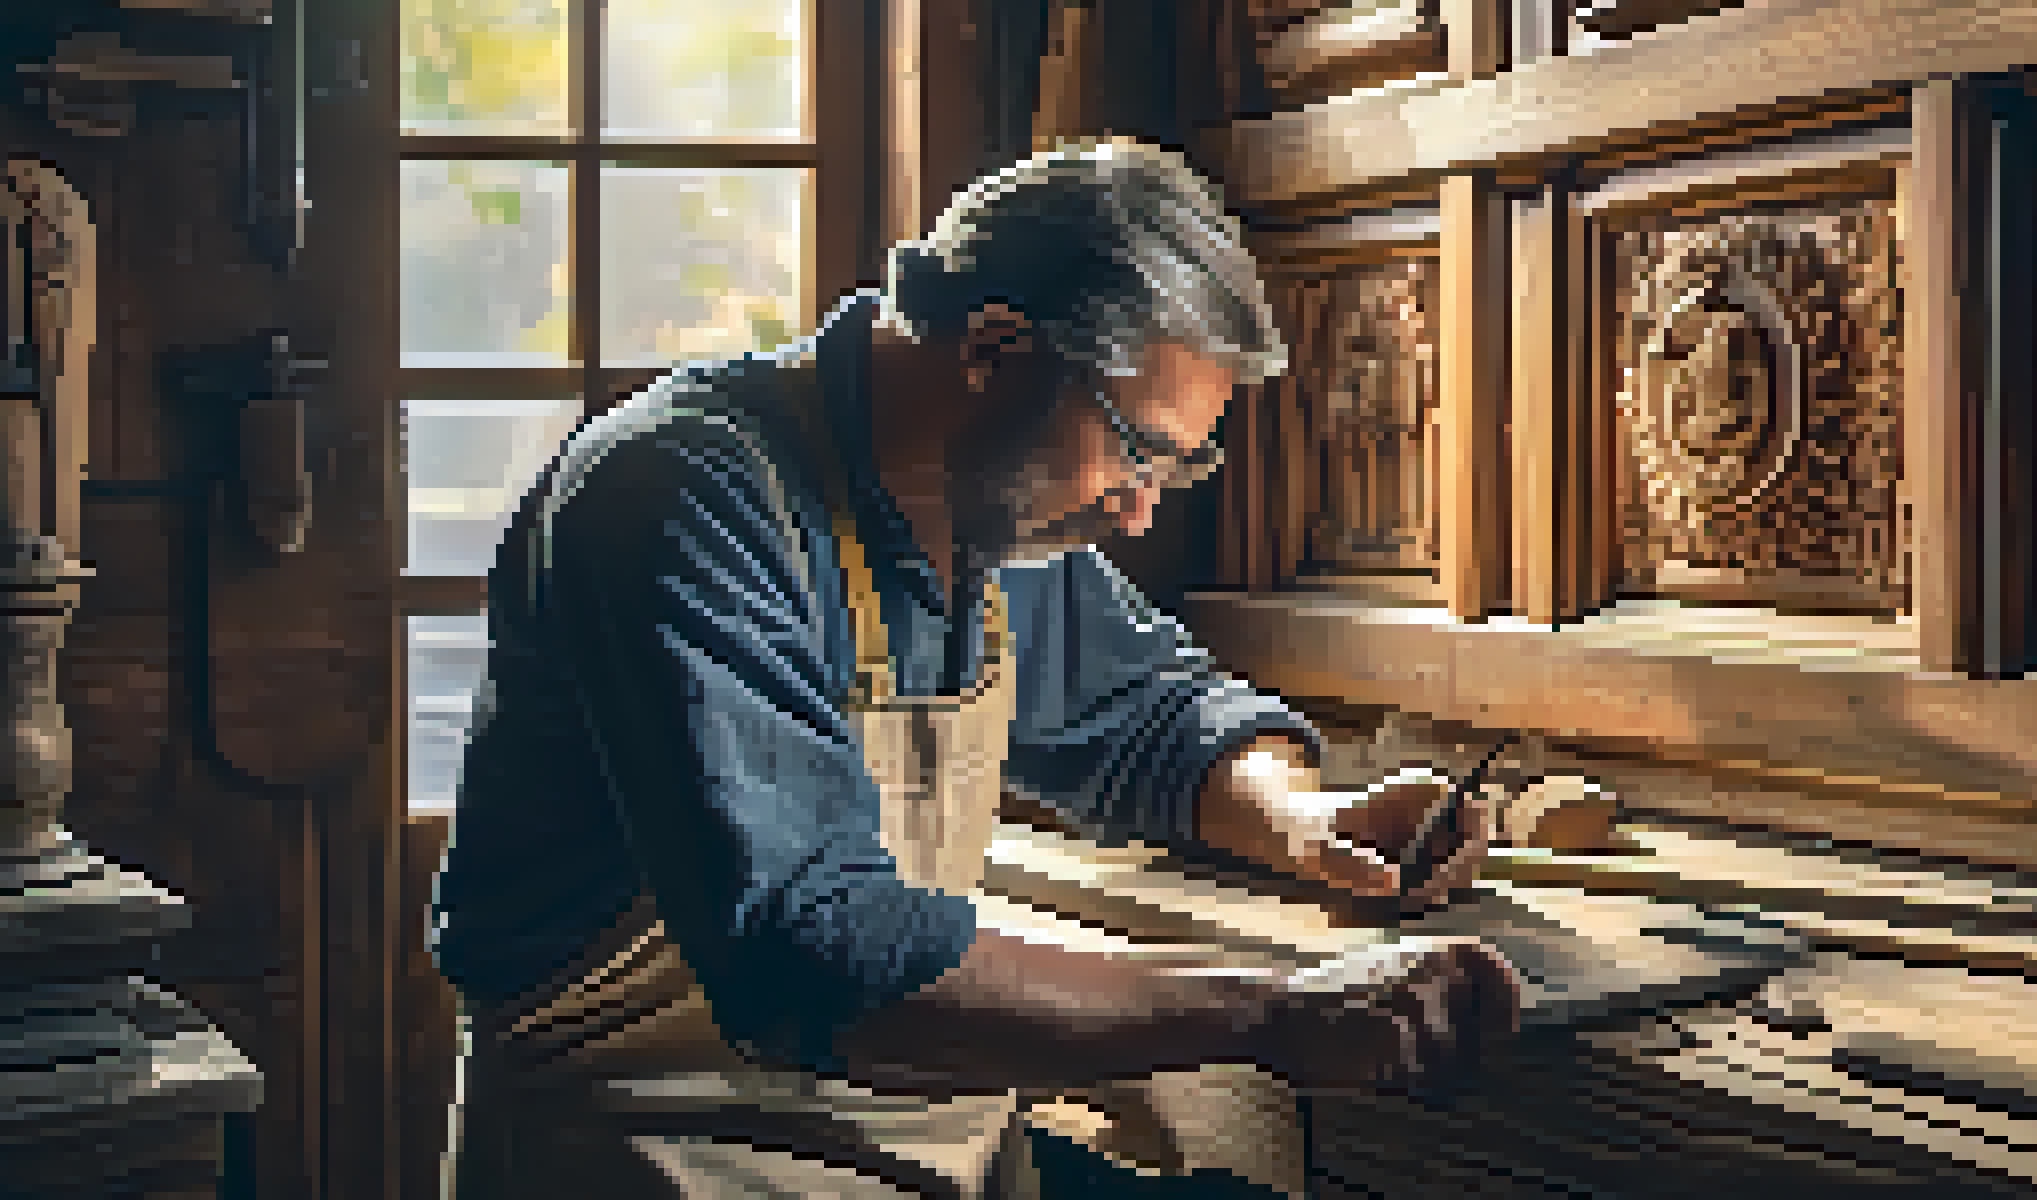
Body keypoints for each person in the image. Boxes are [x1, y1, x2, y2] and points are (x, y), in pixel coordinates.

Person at [432, 139, 1520, 1200]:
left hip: (910, 1141)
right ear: (996, 349)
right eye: (1136, 448)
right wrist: (1267, 1013)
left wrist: (1300, 816)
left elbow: (1150, 716)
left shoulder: (996, 507)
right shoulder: (683, 498)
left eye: (1178, 467)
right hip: (657, 1145)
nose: (1138, 512)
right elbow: (817, 958)